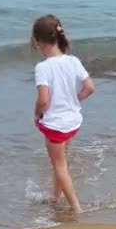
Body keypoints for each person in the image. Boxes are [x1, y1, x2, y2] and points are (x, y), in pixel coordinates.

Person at [31, 14, 95, 213]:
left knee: (60, 166)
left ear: (37, 41)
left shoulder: (43, 67)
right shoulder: (73, 61)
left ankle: (76, 208)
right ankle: (55, 196)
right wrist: (75, 100)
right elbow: (90, 87)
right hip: (73, 122)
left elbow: (43, 100)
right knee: (62, 160)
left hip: (56, 125)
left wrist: (37, 113)